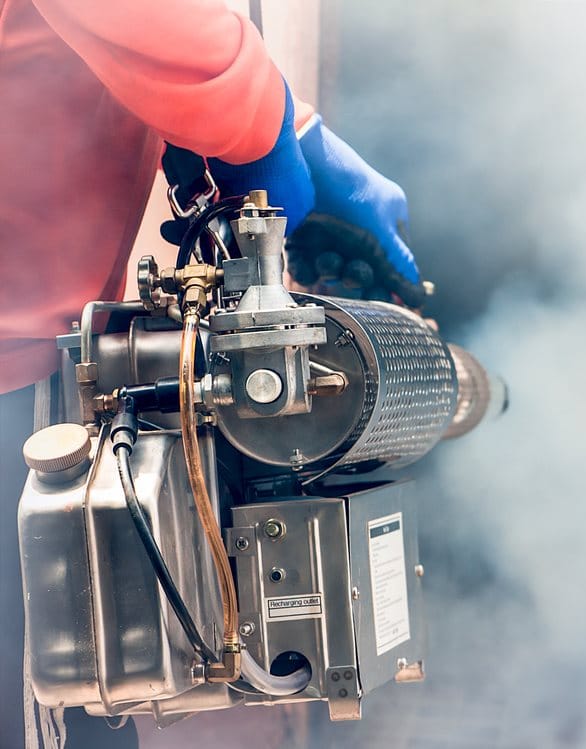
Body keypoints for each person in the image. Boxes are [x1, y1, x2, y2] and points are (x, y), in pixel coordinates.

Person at [0, 0, 423, 745]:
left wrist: (284, 128)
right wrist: (262, 117)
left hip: (27, 362)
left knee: (85, 697)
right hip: (9, 374)